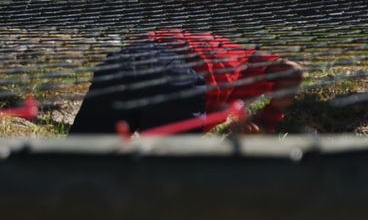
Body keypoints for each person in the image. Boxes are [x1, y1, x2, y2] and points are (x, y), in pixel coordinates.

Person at [70, 29, 303, 135]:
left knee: (80, 161)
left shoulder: (200, 42)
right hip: (176, 76)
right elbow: (292, 71)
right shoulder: (248, 60)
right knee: (173, 180)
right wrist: (268, 121)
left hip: (123, 61)